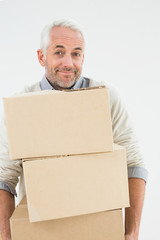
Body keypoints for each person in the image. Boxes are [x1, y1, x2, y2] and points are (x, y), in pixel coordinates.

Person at [0, 19, 148, 240]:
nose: (68, 63)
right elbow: (4, 179)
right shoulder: (20, 106)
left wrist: (131, 232)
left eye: (76, 53)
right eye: (59, 52)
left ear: (83, 57)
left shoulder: (105, 98)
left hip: (100, 229)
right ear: (41, 57)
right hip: (42, 231)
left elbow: (134, 164)